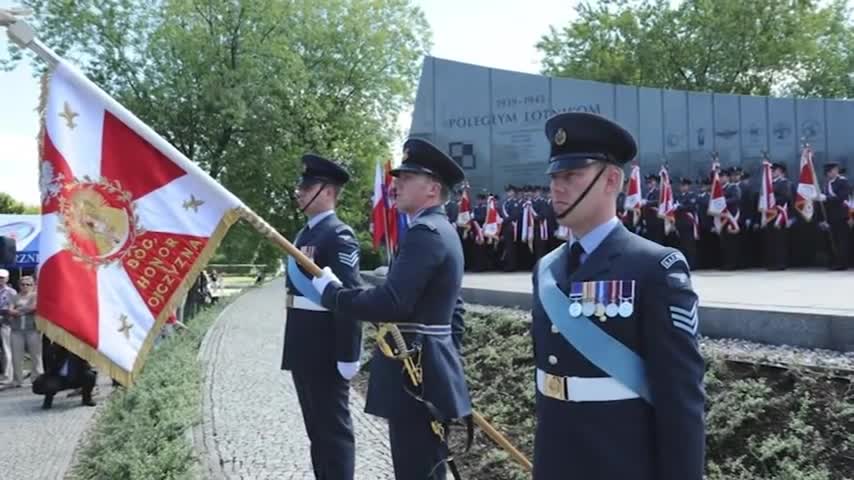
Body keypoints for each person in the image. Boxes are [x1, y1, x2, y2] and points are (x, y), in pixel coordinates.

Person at [531, 112, 705, 480]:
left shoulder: (656, 267)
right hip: (555, 457)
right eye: (554, 177)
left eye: (571, 176)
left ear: (611, 180)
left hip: (620, 461)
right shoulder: (546, 269)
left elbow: (680, 400)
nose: (557, 188)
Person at [309, 138, 471, 479]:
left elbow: (391, 303)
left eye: (407, 178)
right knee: (423, 466)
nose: (396, 184)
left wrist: (332, 293)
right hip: (428, 369)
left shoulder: (425, 233)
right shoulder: (440, 229)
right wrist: (446, 362)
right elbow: (455, 311)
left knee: (416, 468)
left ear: (432, 188)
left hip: (416, 374)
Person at [281, 154, 363, 480]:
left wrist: (348, 353)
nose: (299, 191)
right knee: (317, 432)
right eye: (301, 185)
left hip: (326, 349)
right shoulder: (304, 235)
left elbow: (349, 298)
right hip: (303, 344)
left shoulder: (338, 235)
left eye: (308, 185)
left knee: (333, 433)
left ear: (327, 191)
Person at [33, 340, 96, 409]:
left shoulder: (79, 349)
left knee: (90, 376)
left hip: (75, 377)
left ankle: (87, 399)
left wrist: (76, 352)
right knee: (47, 383)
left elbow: (86, 366)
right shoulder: (56, 349)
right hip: (59, 378)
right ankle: (48, 401)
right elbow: (49, 364)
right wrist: (58, 348)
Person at [7, 275, 42, 386]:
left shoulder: (36, 295)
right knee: (16, 356)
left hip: (32, 329)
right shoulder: (15, 297)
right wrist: (23, 310)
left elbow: (34, 308)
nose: (25, 286)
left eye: (28, 284)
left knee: (36, 355)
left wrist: (19, 310)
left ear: (33, 285)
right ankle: (18, 380)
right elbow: (10, 310)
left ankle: (37, 378)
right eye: (23, 284)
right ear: (19, 285)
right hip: (16, 330)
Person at [819, 161, 851, 270]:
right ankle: (834, 262)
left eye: (836, 170)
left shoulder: (842, 182)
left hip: (841, 215)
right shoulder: (826, 184)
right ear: (828, 173)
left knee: (842, 240)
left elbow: (842, 197)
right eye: (832, 171)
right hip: (830, 216)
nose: (835, 172)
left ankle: (842, 263)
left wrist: (827, 198)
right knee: (833, 240)